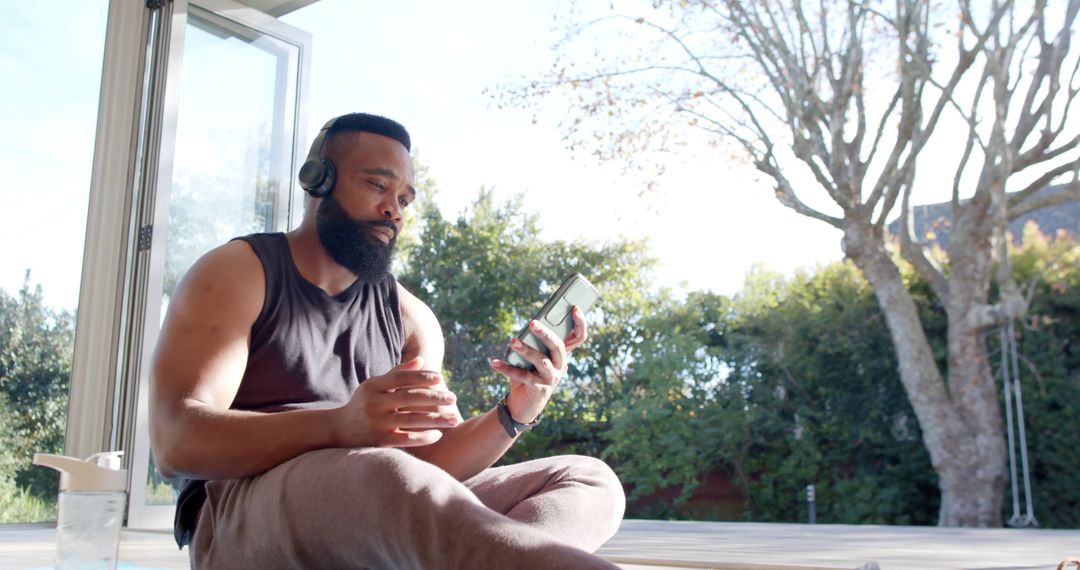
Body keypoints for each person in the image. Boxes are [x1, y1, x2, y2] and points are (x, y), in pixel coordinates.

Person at [149, 112, 626, 569]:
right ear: (319, 180)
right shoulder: (239, 271)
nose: (392, 210)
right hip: (242, 513)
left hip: (381, 500)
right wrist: (338, 426)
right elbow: (175, 444)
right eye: (377, 185)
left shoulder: (412, 317)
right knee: (381, 474)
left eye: (404, 199)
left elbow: (431, 466)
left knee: (590, 481)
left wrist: (512, 413)